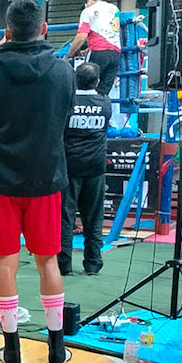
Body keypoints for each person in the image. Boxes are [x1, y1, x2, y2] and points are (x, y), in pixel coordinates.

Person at [0, 0, 76, 363]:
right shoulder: (63, 72)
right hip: (45, 181)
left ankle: (11, 350)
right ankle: (56, 348)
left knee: (6, 265)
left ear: (5, 33)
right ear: (43, 29)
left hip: (1, 183)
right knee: (49, 264)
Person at [59, 62, 111, 276]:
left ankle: (64, 264)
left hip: (69, 165)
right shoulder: (105, 102)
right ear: (97, 81)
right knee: (93, 217)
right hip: (95, 166)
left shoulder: (66, 102)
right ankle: (93, 262)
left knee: (65, 216)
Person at [64, 0, 120, 96]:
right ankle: (101, 110)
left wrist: (69, 54)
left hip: (98, 52)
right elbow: (106, 31)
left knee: (87, 87)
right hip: (115, 53)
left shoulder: (88, 11)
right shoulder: (114, 8)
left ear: (89, 0)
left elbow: (81, 36)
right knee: (103, 92)